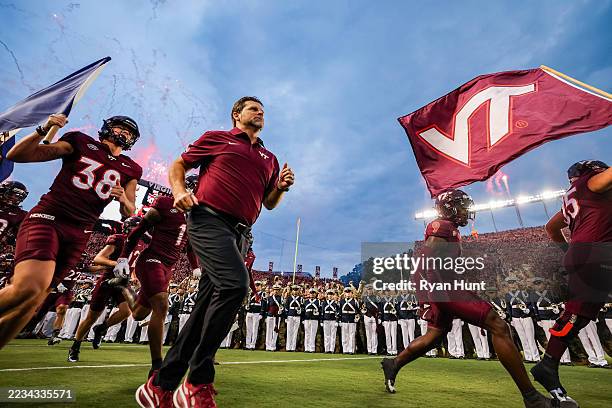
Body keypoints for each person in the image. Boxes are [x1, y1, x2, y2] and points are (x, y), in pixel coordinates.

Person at [136, 96, 294, 408]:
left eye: (263, 111)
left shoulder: (270, 158)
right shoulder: (217, 139)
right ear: (237, 114)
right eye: (253, 108)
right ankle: (198, 380)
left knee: (205, 307)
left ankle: (161, 384)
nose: (260, 113)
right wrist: (180, 191)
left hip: (241, 234)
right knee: (236, 285)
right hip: (208, 219)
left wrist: (282, 187)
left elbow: (268, 203)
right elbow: (179, 164)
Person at [381, 189, 566, 408]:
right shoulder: (442, 226)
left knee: (434, 335)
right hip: (444, 289)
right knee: (499, 326)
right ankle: (532, 398)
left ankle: (394, 363)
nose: (465, 211)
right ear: (449, 208)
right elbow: (422, 265)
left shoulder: (449, 229)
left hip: (443, 288)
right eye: (461, 206)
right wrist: (425, 301)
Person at [0, 113, 141, 349]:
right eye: (119, 128)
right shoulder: (80, 142)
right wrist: (44, 128)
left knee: (34, 301)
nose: (123, 134)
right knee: (28, 287)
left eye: (129, 133)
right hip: (50, 218)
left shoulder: (131, 168)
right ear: (106, 128)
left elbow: (130, 210)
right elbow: (18, 155)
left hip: (80, 234)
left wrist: (122, 199)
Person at [531, 160, 612, 405]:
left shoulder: (573, 197)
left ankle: (547, 365)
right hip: (598, 253)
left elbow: (550, 227)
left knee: (581, 314)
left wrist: (567, 250)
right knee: (577, 313)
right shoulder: (593, 183)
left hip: (584, 255)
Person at [115, 182, 199, 378]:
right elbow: (138, 230)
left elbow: (190, 245)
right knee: (161, 306)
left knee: (138, 315)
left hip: (168, 266)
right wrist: (123, 257)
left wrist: (195, 267)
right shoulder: (164, 203)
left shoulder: (195, 214)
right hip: (152, 260)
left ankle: (124, 287)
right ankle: (157, 365)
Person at [67, 216, 143, 361]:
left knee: (126, 312)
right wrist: (117, 264)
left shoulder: (140, 245)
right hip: (108, 280)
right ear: (128, 228)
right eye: (136, 228)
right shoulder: (119, 239)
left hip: (123, 282)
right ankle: (75, 346)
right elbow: (98, 258)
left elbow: (132, 264)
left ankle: (101, 328)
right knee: (91, 317)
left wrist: (134, 276)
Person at [0, 180, 28, 246]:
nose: (16, 198)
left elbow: (25, 236)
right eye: (14, 194)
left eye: (19, 196)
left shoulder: (21, 214)